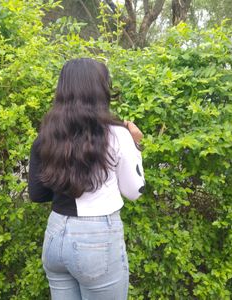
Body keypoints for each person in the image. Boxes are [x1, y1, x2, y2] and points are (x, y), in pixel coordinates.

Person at [28, 58, 145, 300]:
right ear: (101, 89)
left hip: (55, 234)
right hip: (97, 240)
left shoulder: (48, 134)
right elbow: (134, 191)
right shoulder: (117, 135)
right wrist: (136, 146)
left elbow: (37, 194)